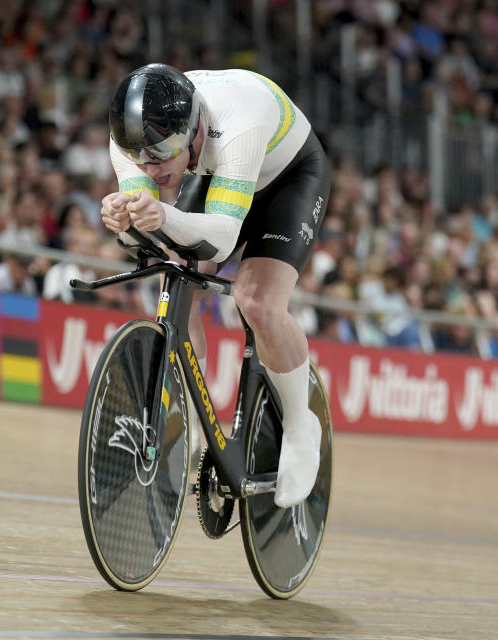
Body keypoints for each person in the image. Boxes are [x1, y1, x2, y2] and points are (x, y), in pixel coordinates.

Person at [101, 63, 330, 508]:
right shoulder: (130, 138)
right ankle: (192, 418)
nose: (151, 167)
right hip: (217, 174)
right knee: (175, 271)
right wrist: (121, 219)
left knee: (256, 301)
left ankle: (302, 426)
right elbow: (140, 231)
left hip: (287, 178)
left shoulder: (238, 120)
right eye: (139, 157)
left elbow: (222, 237)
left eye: (162, 153)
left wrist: (161, 215)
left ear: (192, 130)